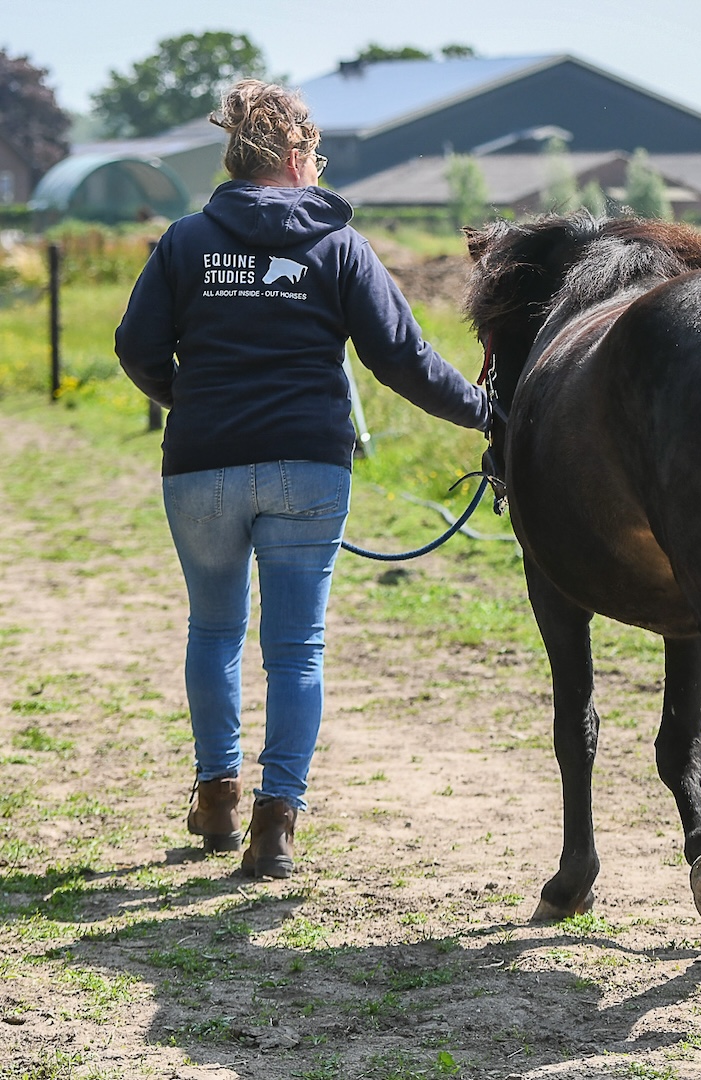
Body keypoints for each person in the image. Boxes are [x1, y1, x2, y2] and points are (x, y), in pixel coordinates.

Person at [115, 79, 489, 879]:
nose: (316, 168)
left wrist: (191, 401)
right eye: (313, 155)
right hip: (307, 466)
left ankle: (215, 795)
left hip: (201, 466)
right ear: (293, 156)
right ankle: (275, 823)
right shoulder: (339, 246)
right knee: (295, 648)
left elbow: (135, 346)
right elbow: (402, 361)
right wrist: (488, 413)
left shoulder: (183, 242)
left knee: (213, 631)